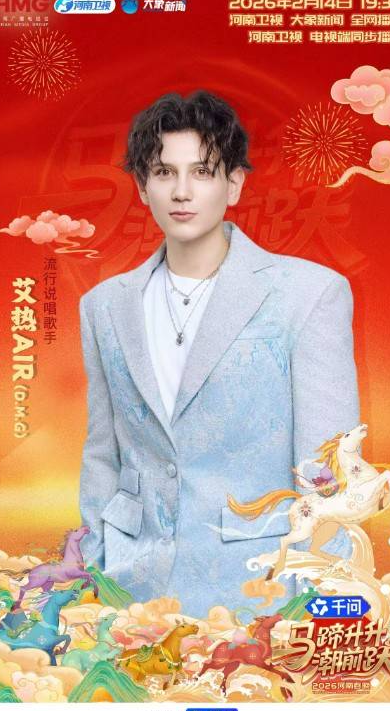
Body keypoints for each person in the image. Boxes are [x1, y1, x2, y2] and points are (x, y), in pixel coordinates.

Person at [78, 90, 359, 619]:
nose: (182, 192)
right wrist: (95, 570)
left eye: (202, 172)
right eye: (164, 172)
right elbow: (101, 454)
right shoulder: (103, 306)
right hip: (132, 588)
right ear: (142, 187)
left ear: (234, 184)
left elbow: (330, 470)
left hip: (260, 587)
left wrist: (322, 603)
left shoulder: (308, 294)